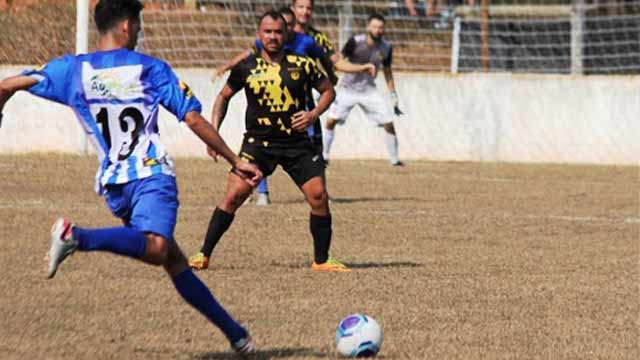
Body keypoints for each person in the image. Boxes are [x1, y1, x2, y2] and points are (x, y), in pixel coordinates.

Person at [0, 0, 261, 354]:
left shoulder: (72, 71)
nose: (139, 32)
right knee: (156, 247)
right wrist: (234, 159)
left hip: (114, 185)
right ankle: (76, 236)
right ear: (126, 26)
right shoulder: (150, 69)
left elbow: (6, 85)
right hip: (150, 175)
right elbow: (194, 119)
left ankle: (237, 336)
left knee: (173, 259)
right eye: (138, 25)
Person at [189, 10, 350, 273]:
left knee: (319, 195)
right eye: (268, 32)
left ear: (286, 33)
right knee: (234, 196)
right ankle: (203, 254)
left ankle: (321, 260)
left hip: (297, 143)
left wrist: (312, 115)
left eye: (278, 31)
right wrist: (214, 134)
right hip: (258, 144)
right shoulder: (247, 66)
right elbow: (223, 97)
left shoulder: (303, 64)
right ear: (259, 34)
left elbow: (328, 91)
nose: (273, 36)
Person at [323, 13, 404, 167]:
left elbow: (387, 71)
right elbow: (340, 60)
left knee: (388, 122)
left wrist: (393, 94)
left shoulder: (386, 47)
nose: (378, 30)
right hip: (347, 88)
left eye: (381, 27)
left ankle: (394, 160)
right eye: (374, 26)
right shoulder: (355, 42)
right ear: (368, 27)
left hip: (369, 91)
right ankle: (324, 156)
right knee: (331, 121)